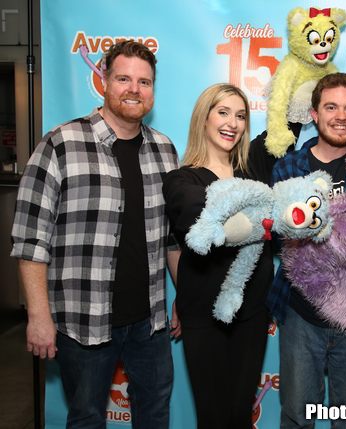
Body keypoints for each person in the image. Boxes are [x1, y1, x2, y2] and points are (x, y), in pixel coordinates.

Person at [10, 40, 178, 428]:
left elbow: (172, 237)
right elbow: (30, 237)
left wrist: (182, 293)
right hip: (83, 322)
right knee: (85, 418)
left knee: (155, 416)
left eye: (144, 81)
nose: (134, 89)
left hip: (150, 323)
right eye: (123, 78)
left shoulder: (165, 151)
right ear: (103, 81)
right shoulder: (61, 143)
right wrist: (38, 315)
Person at [162, 83, 284, 428]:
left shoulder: (254, 170)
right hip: (204, 313)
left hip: (254, 313)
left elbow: (287, 120)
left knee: (240, 415)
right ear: (204, 118)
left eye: (241, 115)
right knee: (214, 417)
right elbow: (193, 217)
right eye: (223, 112)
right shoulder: (180, 179)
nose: (233, 122)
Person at [267, 72, 346, 429]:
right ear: (314, 114)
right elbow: (276, 236)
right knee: (297, 418)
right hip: (302, 314)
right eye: (331, 107)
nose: (341, 116)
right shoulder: (287, 168)